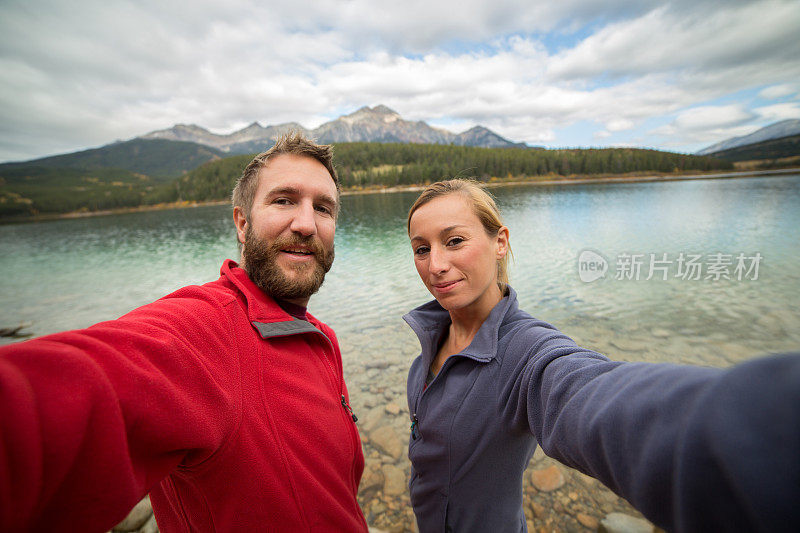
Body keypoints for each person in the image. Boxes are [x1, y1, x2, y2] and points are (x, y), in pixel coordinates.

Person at [0, 132, 368, 532]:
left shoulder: (322, 337)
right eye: (283, 201)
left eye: (324, 208)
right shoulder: (204, 332)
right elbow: (65, 392)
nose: (306, 224)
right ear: (242, 223)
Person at [403, 178, 799, 533]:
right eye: (422, 249)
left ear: (500, 242)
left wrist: (758, 429)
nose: (436, 264)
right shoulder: (430, 342)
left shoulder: (528, 352)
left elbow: (591, 397)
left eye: (454, 241)